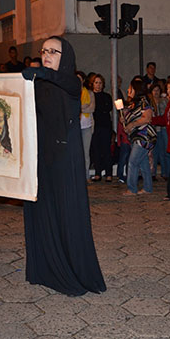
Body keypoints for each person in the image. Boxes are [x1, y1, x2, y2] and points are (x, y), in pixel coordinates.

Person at [20, 36, 106, 296]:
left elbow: (67, 83)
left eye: (53, 51)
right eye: (44, 50)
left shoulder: (71, 81)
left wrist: (40, 72)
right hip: (40, 157)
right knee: (42, 211)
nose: (47, 54)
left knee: (66, 213)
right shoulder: (38, 83)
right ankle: (45, 269)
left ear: (64, 56)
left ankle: (74, 271)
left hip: (65, 159)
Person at [122, 77, 156, 195]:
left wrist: (132, 124)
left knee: (133, 162)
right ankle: (147, 187)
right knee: (143, 163)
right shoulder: (134, 104)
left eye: (130, 88)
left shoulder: (143, 102)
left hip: (143, 136)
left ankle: (132, 189)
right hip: (137, 136)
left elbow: (147, 118)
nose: (128, 90)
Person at [90, 74, 113, 182]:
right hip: (94, 126)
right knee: (96, 150)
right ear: (93, 84)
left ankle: (109, 173)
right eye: (96, 83)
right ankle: (97, 173)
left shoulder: (106, 96)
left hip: (105, 126)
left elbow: (107, 108)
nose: (98, 85)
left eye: (100, 83)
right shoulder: (90, 96)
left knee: (106, 150)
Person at [77, 71, 95, 181]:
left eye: (80, 79)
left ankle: (86, 175)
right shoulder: (72, 93)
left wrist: (80, 108)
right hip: (75, 127)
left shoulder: (89, 93)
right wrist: (83, 107)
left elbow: (91, 108)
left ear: (83, 80)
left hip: (87, 126)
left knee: (85, 153)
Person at [150, 83, 170, 180]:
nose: (156, 92)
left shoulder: (164, 101)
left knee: (164, 151)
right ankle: (153, 173)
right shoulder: (150, 102)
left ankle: (165, 172)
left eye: (158, 90)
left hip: (163, 129)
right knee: (154, 152)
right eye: (154, 90)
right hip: (153, 129)